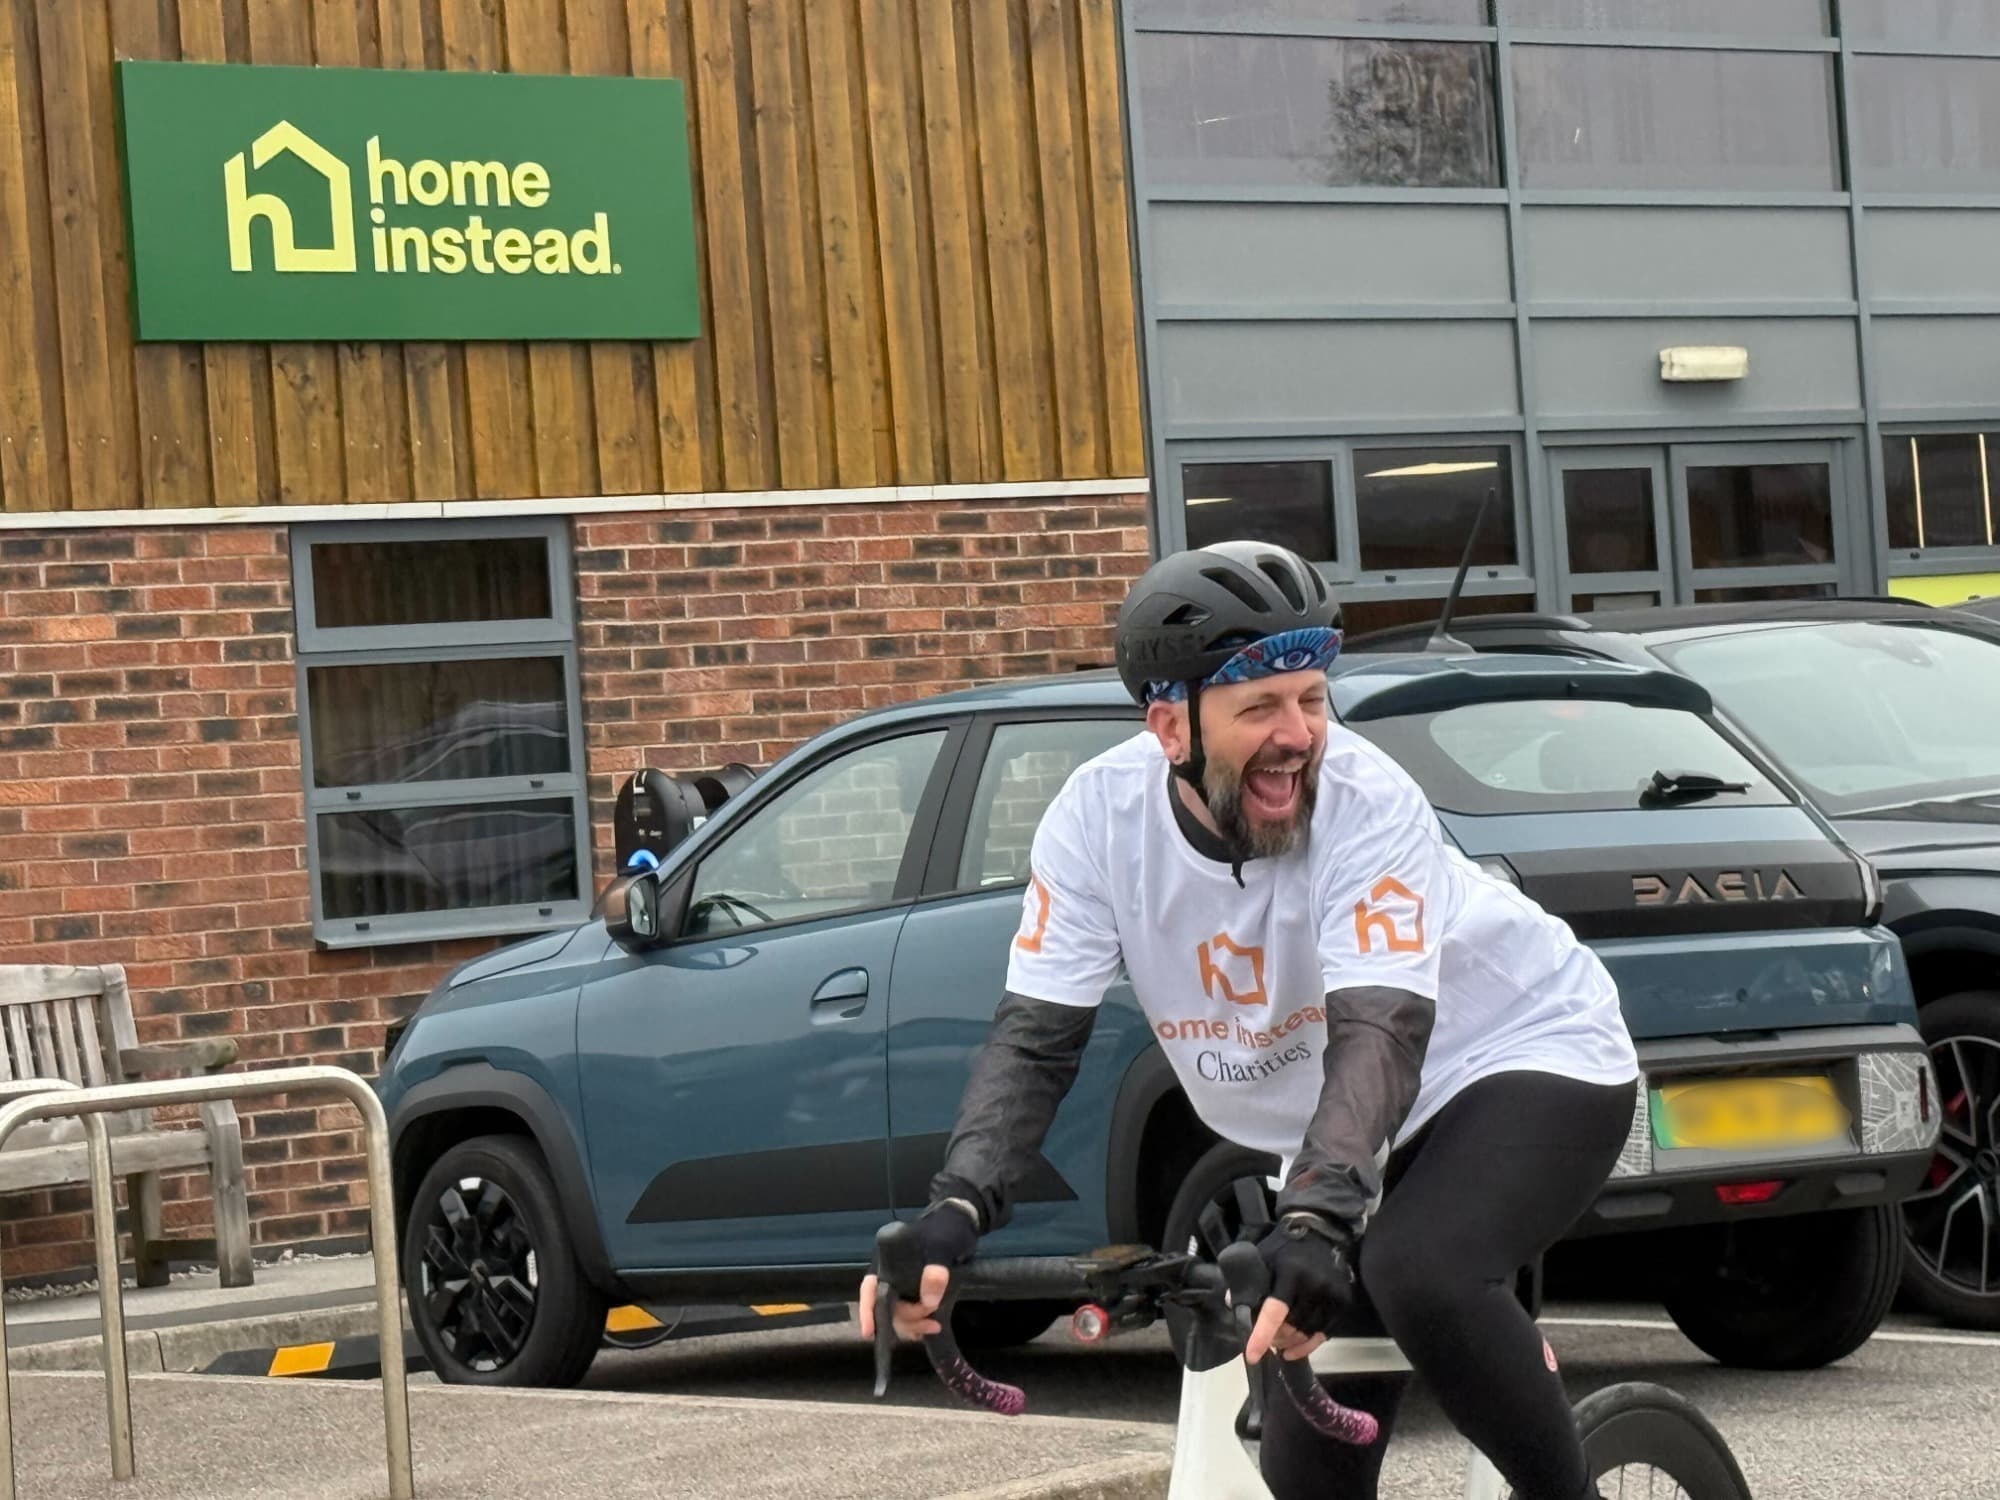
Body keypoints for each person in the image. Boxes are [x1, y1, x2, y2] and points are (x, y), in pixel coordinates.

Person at [859, 540, 1640, 1500]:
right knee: (1306, 1463)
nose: (1300, 734)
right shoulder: (1097, 819)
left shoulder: (1366, 801)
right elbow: (1036, 1042)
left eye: (1313, 699)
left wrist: (1316, 1216)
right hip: (1350, 1127)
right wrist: (957, 1209)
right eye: (1261, 706)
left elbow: (1379, 1031)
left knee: (1420, 1271)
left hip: (1522, 1055)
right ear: (1170, 726)